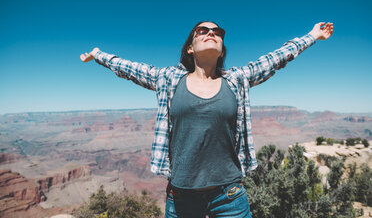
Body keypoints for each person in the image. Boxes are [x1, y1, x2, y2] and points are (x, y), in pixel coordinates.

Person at [80, 21, 333, 217]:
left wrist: (312, 36)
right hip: (181, 197)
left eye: (217, 31)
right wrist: (99, 54)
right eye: (202, 30)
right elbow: (130, 68)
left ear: (222, 49)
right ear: (190, 48)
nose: (211, 32)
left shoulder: (236, 79)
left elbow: (277, 58)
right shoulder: (168, 79)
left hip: (230, 194)